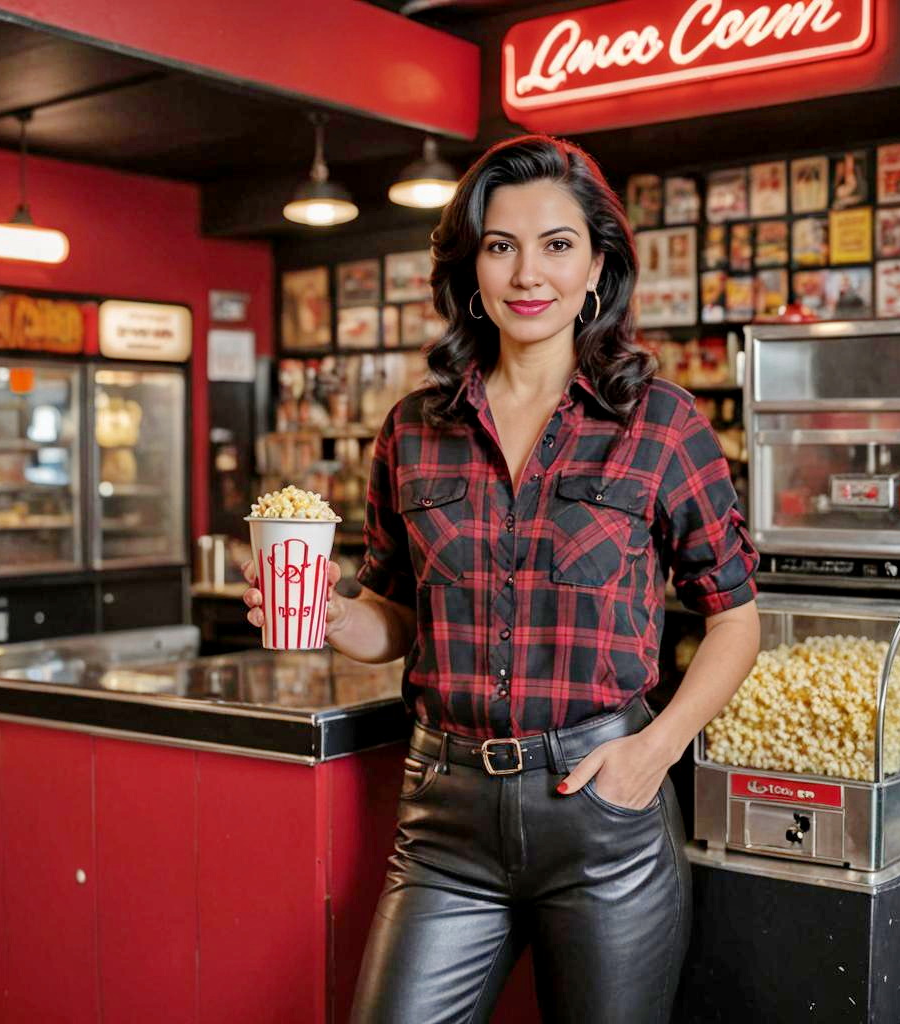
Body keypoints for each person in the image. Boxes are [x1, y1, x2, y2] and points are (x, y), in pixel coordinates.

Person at [243, 135, 761, 1023]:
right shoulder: (412, 430)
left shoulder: (661, 425)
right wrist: (327, 614)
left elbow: (736, 619)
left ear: (597, 265)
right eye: (501, 244)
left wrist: (654, 751)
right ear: (472, 269)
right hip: (445, 819)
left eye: (558, 244)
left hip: (604, 812)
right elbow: (395, 618)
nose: (530, 273)